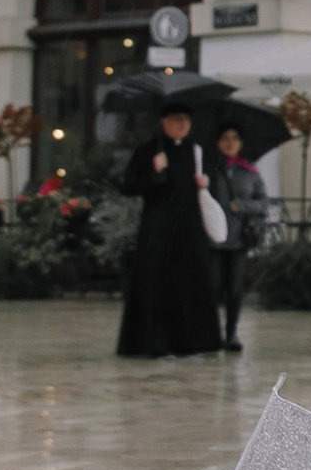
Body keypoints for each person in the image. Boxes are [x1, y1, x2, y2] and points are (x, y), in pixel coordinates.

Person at [114, 98, 224, 360]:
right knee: (156, 284)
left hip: (189, 230)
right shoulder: (149, 151)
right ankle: (155, 343)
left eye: (186, 121)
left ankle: (193, 343)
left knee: (191, 284)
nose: (181, 125)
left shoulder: (196, 151)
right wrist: (155, 174)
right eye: (176, 120)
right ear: (164, 123)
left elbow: (211, 183)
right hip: (158, 230)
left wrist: (205, 182)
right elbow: (128, 185)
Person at [212, 122, 269, 354]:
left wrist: (243, 205)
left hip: (238, 240)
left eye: (234, 137)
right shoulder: (210, 169)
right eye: (225, 137)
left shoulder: (250, 171)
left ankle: (231, 332)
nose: (230, 142)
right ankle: (211, 332)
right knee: (213, 288)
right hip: (213, 239)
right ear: (217, 142)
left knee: (235, 289)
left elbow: (263, 203)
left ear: (241, 143)